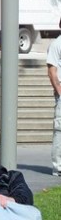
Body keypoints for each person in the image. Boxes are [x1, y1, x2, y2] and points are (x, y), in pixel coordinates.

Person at [46, 19, 61, 177]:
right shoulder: (57, 44)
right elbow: (52, 71)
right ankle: (59, 167)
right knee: (60, 130)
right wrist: (59, 92)